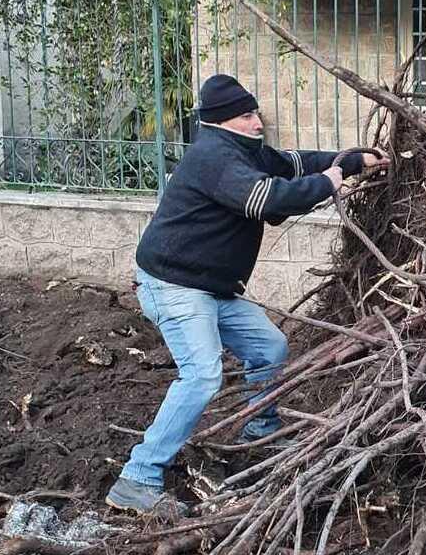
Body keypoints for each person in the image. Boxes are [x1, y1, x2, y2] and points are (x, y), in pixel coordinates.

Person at [106, 74, 389, 514]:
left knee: (270, 347)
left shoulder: (242, 149)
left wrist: (351, 161)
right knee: (201, 375)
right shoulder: (214, 158)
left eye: (255, 112)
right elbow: (266, 198)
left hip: (211, 286)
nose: (258, 121)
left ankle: (260, 430)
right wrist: (331, 181)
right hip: (175, 285)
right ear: (223, 122)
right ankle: (137, 478)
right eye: (247, 115)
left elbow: (290, 164)